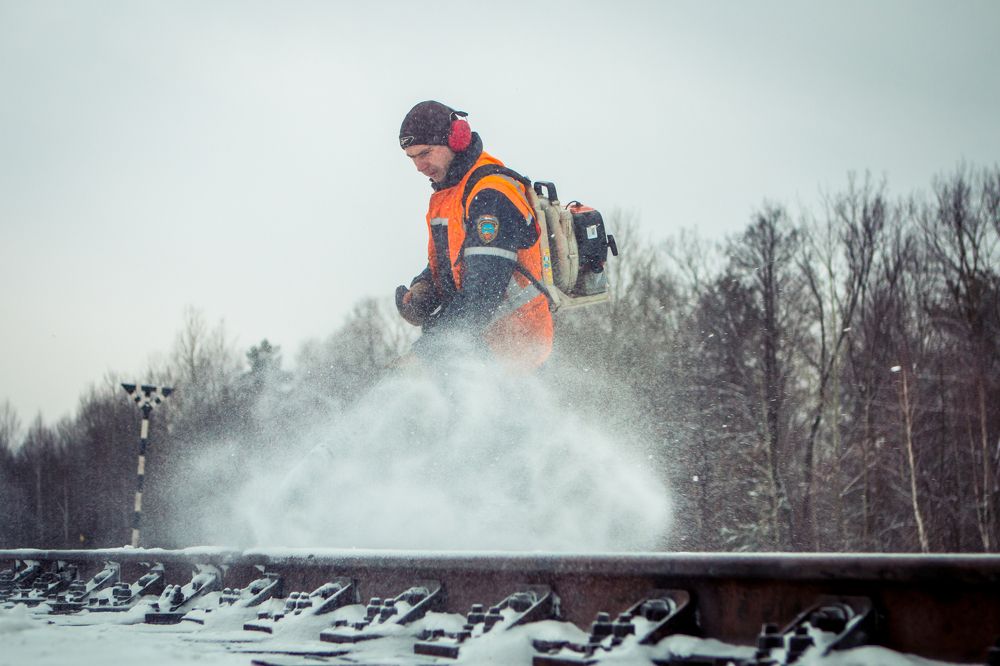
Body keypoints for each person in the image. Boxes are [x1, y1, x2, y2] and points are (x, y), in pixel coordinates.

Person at [395, 100, 553, 368]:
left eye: (425, 153)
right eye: (412, 158)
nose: (419, 166)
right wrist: (424, 290)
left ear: (456, 139)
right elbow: (457, 264)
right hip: (476, 351)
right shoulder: (450, 195)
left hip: (514, 352)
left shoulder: (490, 195)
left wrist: (426, 352)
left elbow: (482, 295)